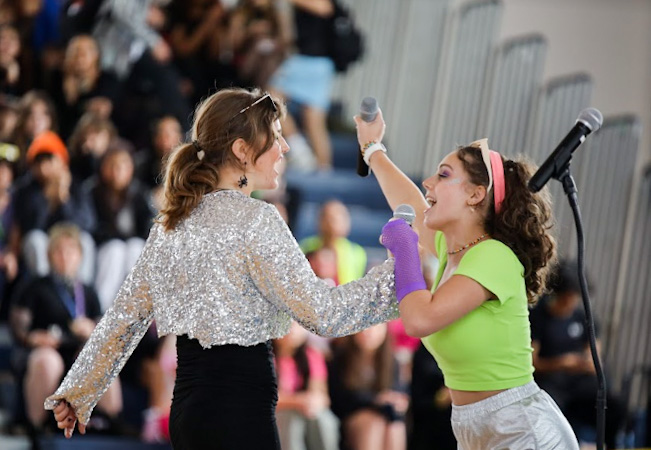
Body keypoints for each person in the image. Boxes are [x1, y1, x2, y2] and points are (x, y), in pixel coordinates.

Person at [45, 87, 398, 449]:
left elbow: (123, 319)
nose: (285, 148)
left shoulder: (171, 225)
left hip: (188, 415)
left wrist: (78, 392)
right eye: (275, 137)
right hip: (239, 415)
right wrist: (400, 278)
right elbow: (324, 314)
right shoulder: (257, 219)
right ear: (242, 150)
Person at [354, 109, 579, 448]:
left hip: (520, 428)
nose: (428, 183)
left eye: (443, 175)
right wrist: (373, 148)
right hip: (474, 426)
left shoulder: (494, 255)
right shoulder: (453, 251)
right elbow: (411, 204)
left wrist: (404, 248)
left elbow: (419, 318)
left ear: (476, 195)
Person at [9, 223, 121, 438]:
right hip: (45, 352)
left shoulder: (87, 291)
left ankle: (112, 420)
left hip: (76, 350)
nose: (64, 256)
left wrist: (92, 329)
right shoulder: (36, 286)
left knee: (100, 357)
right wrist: (32, 337)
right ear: (50, 255)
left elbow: (103, 331)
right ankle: (36, 427)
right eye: (59, 250)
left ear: (79, 255)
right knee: (47, 361)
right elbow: (18, 326)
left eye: (70, 250)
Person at [530, 259, 626, 449]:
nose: (571, 300)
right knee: (549, 411)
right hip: (551, 381)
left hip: (580, 382)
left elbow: (594, 356)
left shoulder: (584, 317)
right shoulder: (538, 316)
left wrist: (587, 362)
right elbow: (533, 362)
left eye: (575, 296)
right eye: (568, 295)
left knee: (614, 406)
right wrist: (561, 363)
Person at [328, 323, 408, 450]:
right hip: (353, 414)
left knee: (395, 426)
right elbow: (340, 399)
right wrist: (376, 399)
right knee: (373, 424)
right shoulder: (341, 359)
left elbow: (399, 392)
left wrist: (399, 401)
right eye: (363, 327)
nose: (368, 332)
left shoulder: (392, 360)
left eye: (375, 327)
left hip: (384, 414)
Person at [273, 320, 339, 450]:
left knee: (324, 419)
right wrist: (297, 401)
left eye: (297, 325)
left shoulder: (311, 355)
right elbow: (263, 400)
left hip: (305, 411)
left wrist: (313, 402)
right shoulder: (266, 358)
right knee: (292, 420)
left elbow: (322, 395)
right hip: (278, 414)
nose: (292, 330)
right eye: (287, 324)